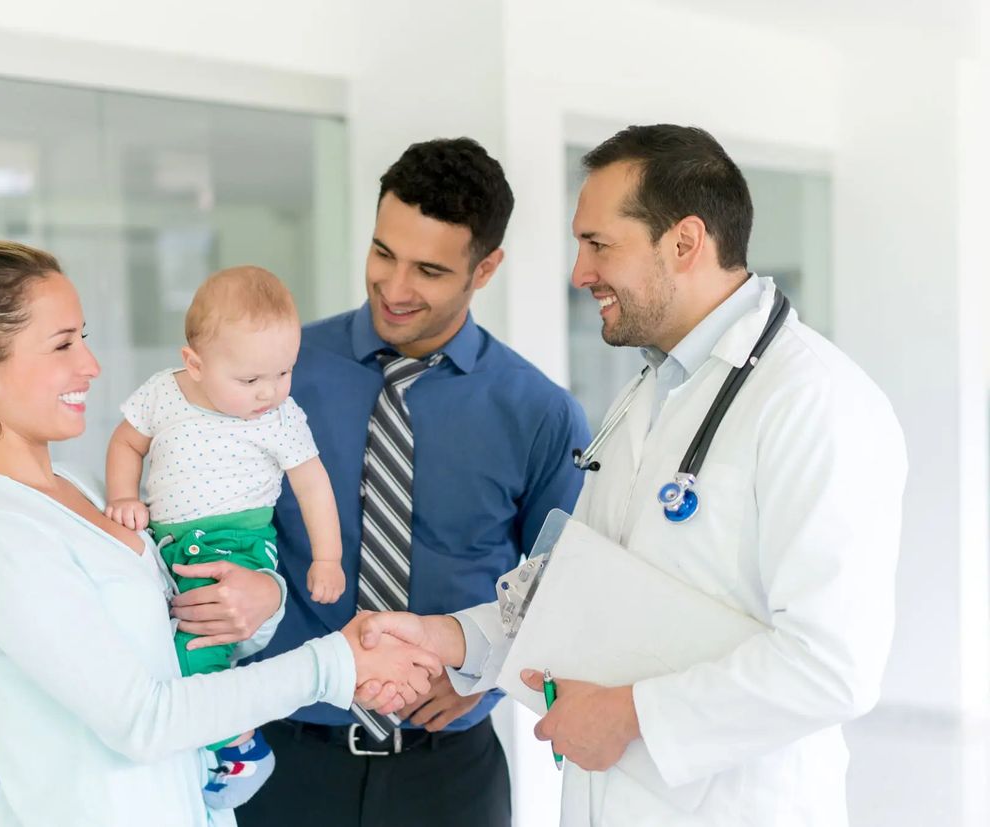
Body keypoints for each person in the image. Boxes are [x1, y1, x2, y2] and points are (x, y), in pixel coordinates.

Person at [361, 125, 908, 826]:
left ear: (683, 242)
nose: (578, 273)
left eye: (597, 244)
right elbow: (580, 589)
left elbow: (833, 664)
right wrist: (454, 637)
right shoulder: (653, 390)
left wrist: (631, 714)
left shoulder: (817, 401)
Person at [0, 241, 441, 827]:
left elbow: (176, 634)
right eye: (62, 344)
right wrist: (332, 666)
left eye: (83, 336)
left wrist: (263, 598)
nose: (90, 364)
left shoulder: (74, 488)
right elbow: (145, 720)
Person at [237, 138, 592, 827]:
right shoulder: (277, 375)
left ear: (485, 267)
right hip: (287, 756)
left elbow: (571, 589)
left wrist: (485, 675)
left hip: (449, 773)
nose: (395, 289)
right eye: (383, 253)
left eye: (428, 269)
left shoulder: (538, 413)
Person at [103, 265, 345, 807]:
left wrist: (327, 558)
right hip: (164, 547)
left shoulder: (281, 418)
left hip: (236, 546)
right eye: (251, 380)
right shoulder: (163, 395)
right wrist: (123, 496)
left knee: (198, 645)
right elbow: (126, 443)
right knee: (159, 647)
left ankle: (240, 747)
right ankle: (206, 742)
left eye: (284, 373)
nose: (270, 392)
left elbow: (313, 485)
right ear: (195, 363)